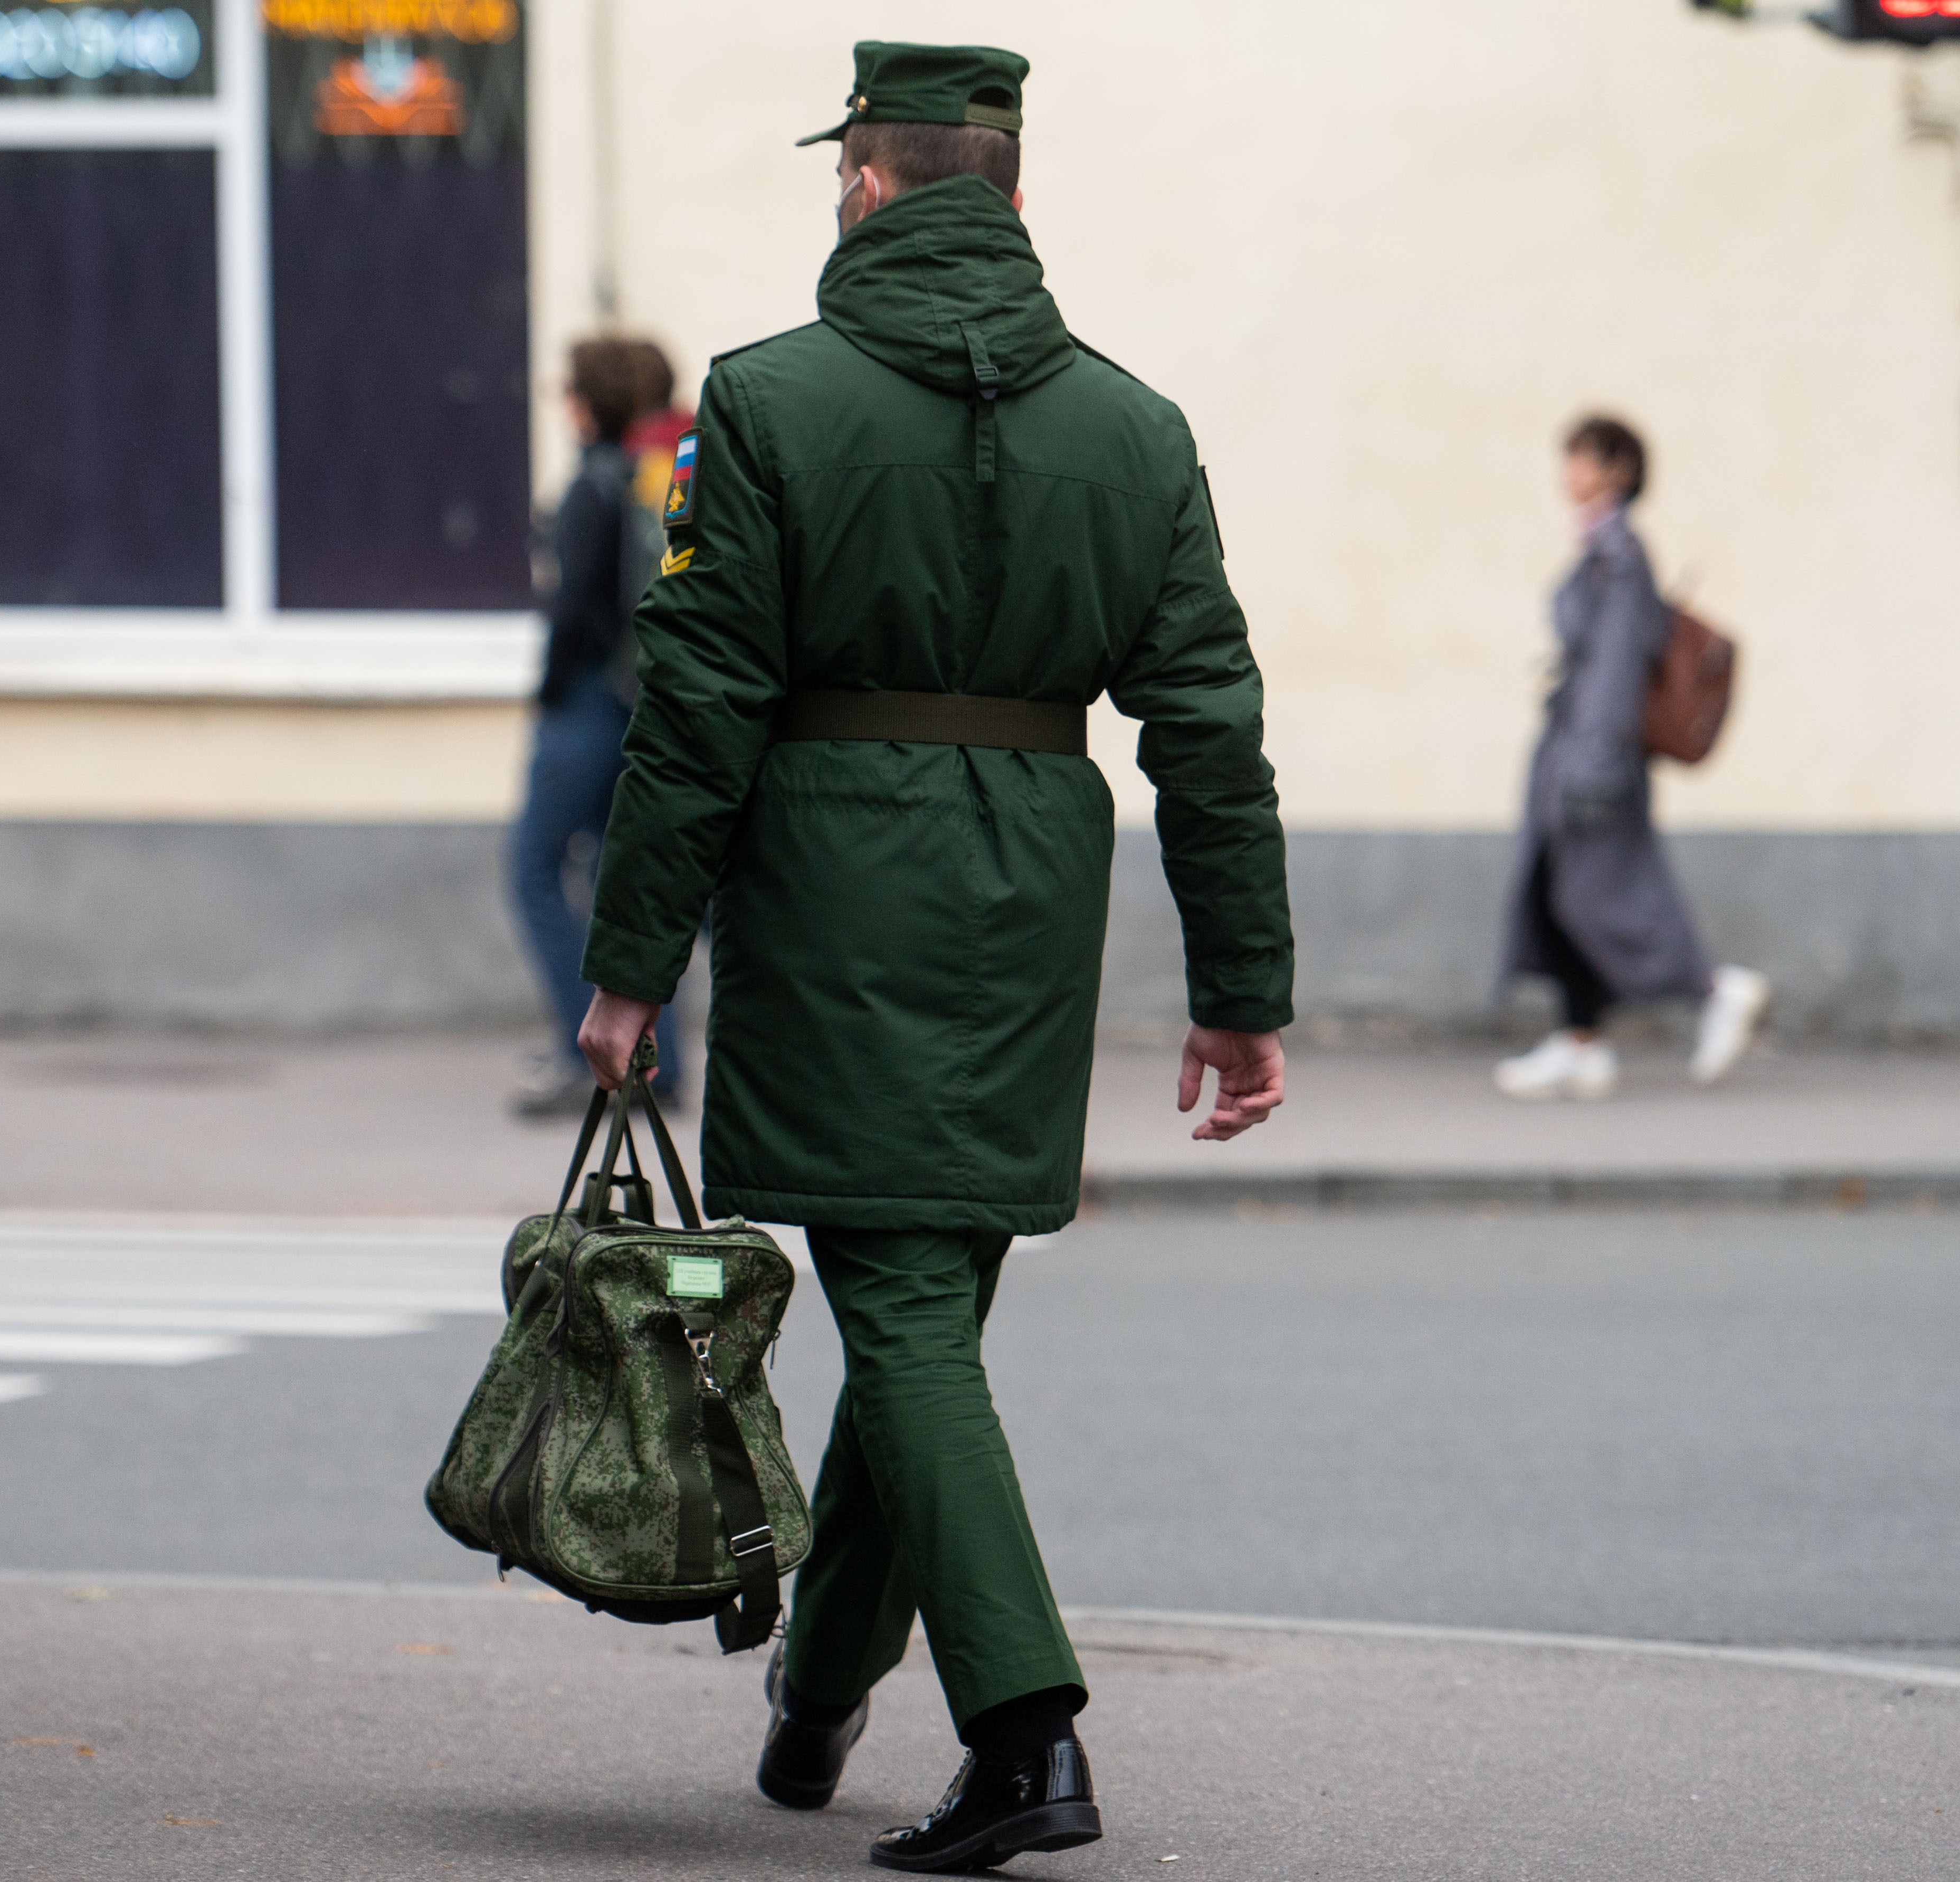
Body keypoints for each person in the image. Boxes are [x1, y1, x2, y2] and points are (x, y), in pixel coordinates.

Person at [567, 42, 1294, 1874]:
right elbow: (1208, 717)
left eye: (847, 177)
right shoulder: (1137, 427)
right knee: (929, 1308)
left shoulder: (765, 400)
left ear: (870, 189)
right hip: (1033, 896)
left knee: (900, 1313)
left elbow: (703, 697)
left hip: (834, 888)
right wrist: (1240, 987)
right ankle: (819, 1694)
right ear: (1015, 200)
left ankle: (1028, 1733)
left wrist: (630, 958)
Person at [1495, 414, 1768, 1100]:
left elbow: (1618, 667)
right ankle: (1581, 1043)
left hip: (1596, 757)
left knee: (1603, 898)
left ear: (1618, 469)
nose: (1570, 472)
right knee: (1568, 895)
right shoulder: (1601, 548)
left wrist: (1593, 761)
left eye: (1583, 459)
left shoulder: (1620, 553)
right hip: (1581, 750)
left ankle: (1713, 990)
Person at [506, 335, 681, 1117]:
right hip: (641, 707)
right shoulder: (665, 476)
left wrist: (546, 690)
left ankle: (592, 1056)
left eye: (571, 390)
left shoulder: (592, 487)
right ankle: (656, 1062)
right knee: (626, 885)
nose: (563, 403)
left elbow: (574, 610)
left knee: (534, 871)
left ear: (592, 401)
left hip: (585, 707)